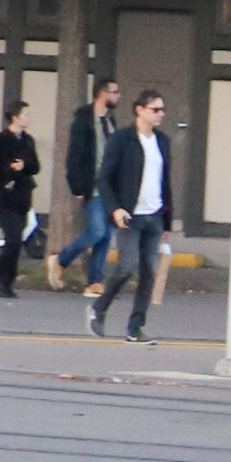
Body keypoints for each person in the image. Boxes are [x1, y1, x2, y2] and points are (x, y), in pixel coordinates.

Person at [92, 89, 172, 342]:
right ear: (139, 110)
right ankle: (99, 308)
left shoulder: (163, 140)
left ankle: (135, 327)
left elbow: (165, 181)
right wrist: (115, 208)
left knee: (149, 272)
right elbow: (104, 178)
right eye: (155, 109)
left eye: (162, 110)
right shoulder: (122, 139)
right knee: (126, 267)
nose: (160, 114)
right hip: (129, 215)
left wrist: (167, 219)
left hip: (154, 215)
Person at [50, 76, 120, 293]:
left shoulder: (110, 122)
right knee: (97, 230)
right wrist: (77, 186)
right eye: (114, 91)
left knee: (106, 235)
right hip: (93, 186)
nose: (118, 96)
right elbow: (75, 156)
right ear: (102, 93)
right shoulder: (84, 120)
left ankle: (94, 281)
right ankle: (60, 260)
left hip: (111, 189)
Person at [0, 102, 40, 298]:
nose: (28, 119)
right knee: (13, 238)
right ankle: (5, 281)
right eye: (25, 115)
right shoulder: (2, 140)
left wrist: (24, 165)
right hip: (4, 196)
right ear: (15, 117)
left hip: (22, 195)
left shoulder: (28, 141)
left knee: (15, 240)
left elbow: (35, 166)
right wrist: (8, 169)